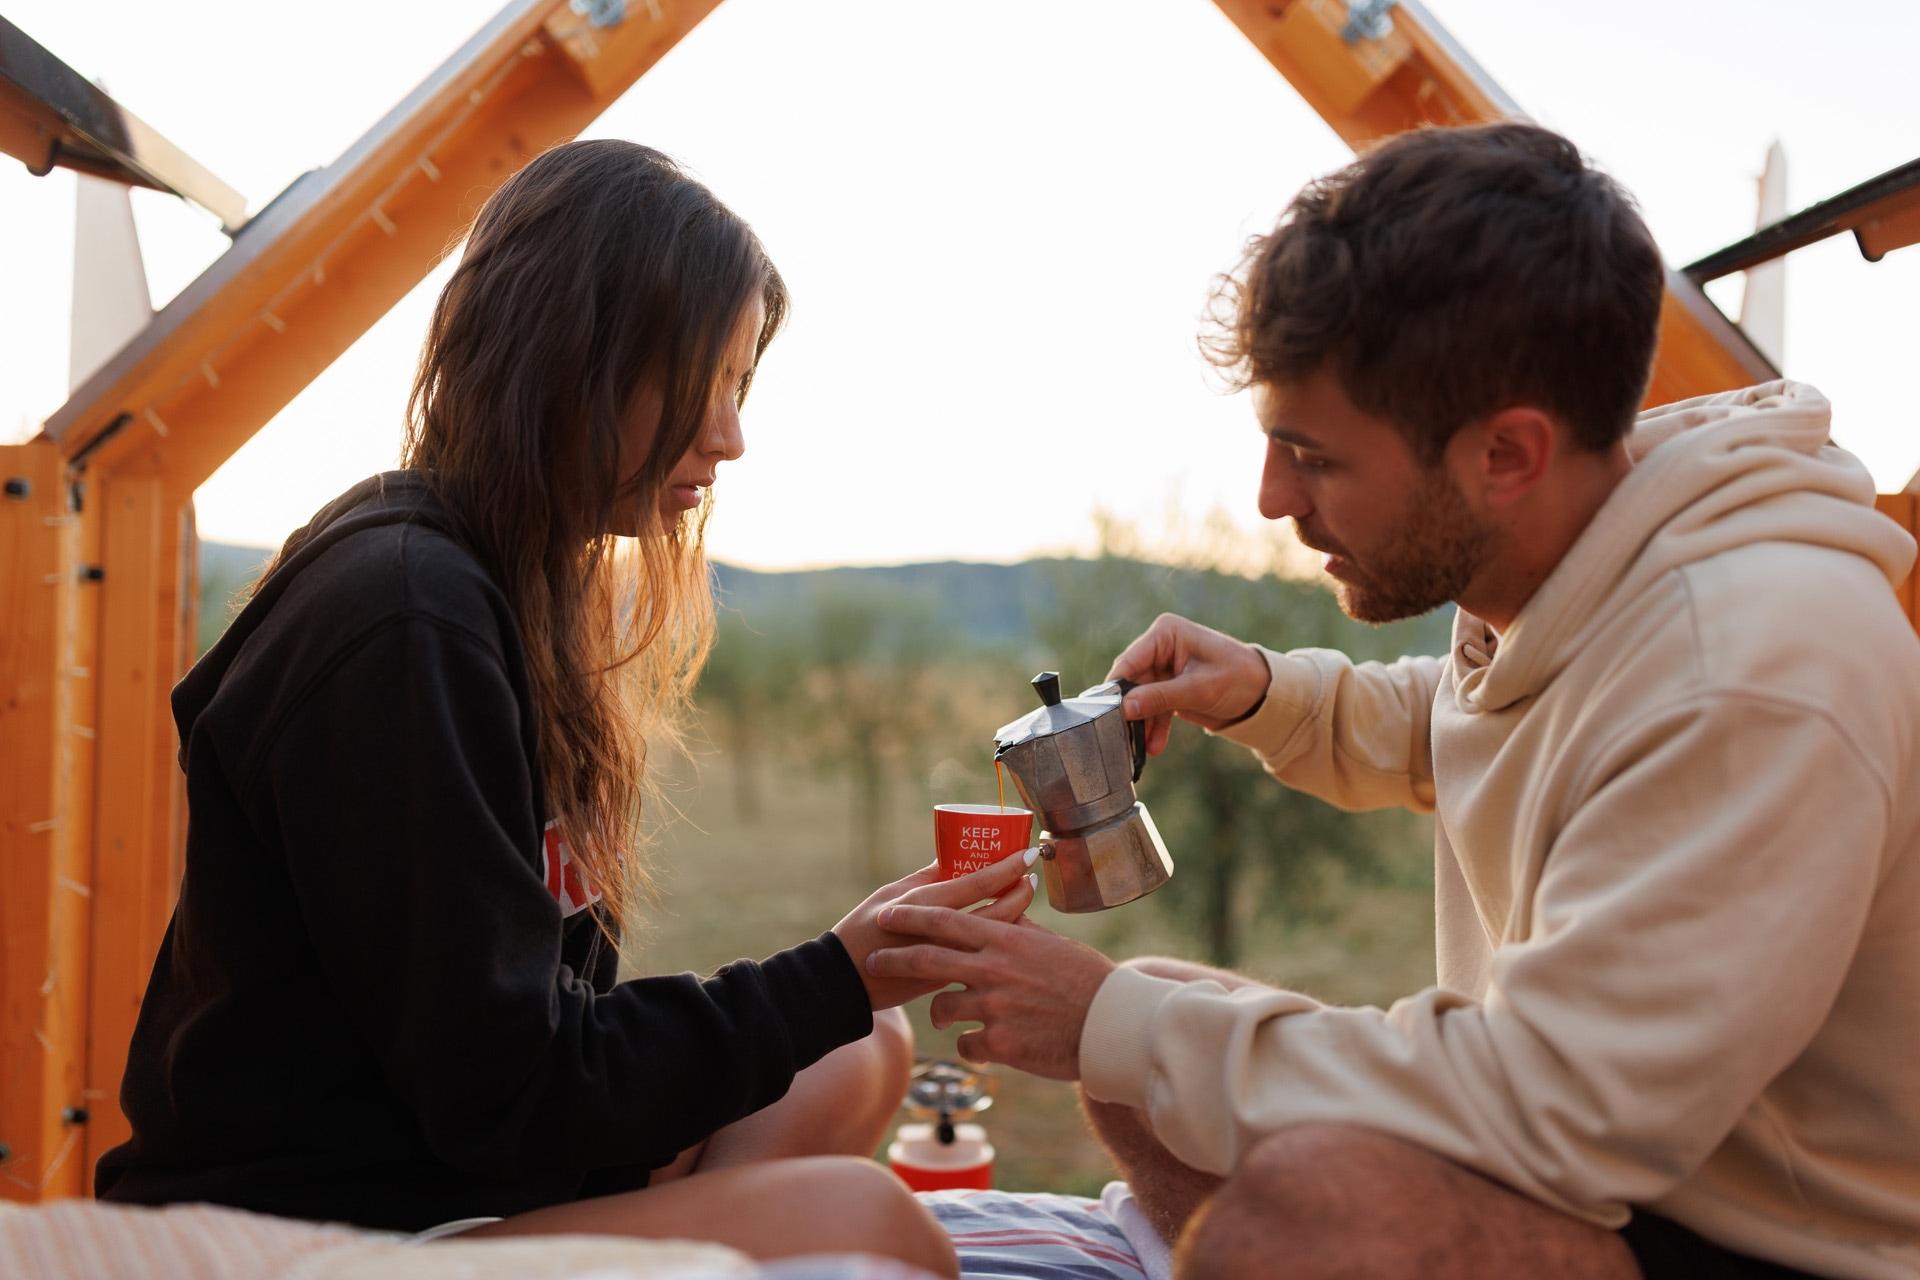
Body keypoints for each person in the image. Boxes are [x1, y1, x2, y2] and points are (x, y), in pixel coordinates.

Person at [867, 123, 1920, 1279]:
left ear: (1507, 454)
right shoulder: (1596, 566)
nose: (1272, 499)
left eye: (1313, 457)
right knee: (1156, 1040)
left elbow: (1560, 1105)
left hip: (1756, 1242)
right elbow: (1473, 721)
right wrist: (1269, 696)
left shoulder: (1754, 668)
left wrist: (1103, 1018)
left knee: (1308, 1204)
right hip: (1607, 1177)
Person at [94, 139, 1037, 1277]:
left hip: (447, 1163)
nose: (731, 435)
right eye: (710, 379)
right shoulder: (405, 619)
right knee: (871, 1218)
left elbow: (515, 1047)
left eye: (741, 386)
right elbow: (509, 1085)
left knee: (863, 1048)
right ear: (578, 359)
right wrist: (832, 968)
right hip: (316, 1223)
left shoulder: (499, 586)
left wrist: (850, 975)